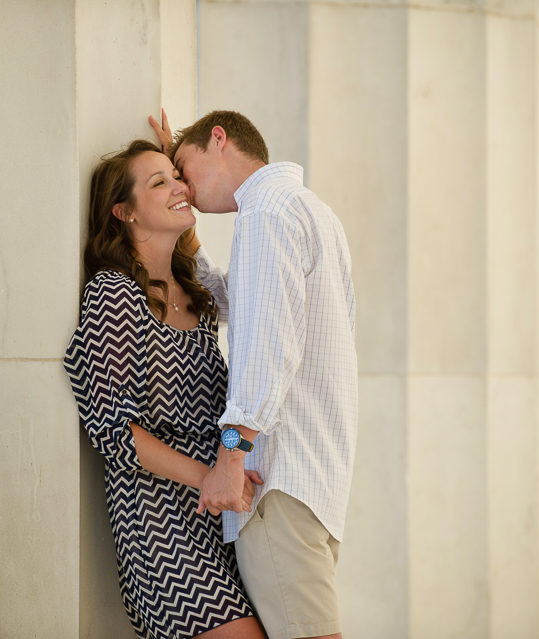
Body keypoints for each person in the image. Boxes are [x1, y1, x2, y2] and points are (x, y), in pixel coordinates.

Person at [150, 110, 358, 639]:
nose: (184, 188)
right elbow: (234, 304)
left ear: (218, 139)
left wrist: (229, 457)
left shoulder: (264, 213)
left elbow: (268, 349)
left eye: (181, 167)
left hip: (275, 481)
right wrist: (186, 238)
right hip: (315, 481)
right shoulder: (311, 211)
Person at [63, 139, 267, 639]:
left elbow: (257, 312)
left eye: (177, 175)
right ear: (124, 212)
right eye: (160, 182)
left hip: (220, 511)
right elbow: (115, 432)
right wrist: (209, 477)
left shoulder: (195, 292)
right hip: (159, 523)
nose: (180, 186)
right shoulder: (113, 292)